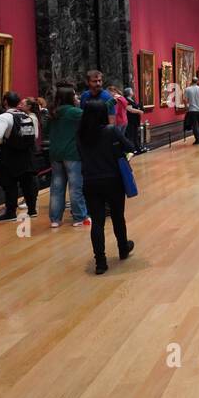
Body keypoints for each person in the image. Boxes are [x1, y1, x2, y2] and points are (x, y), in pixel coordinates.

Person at [76, 100, 134, 274]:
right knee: (117, 216)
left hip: (90, 181)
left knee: (98, 222)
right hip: (113, 179)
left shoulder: (80, 134)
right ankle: (123, 248)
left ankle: (100, 262)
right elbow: (129, 146)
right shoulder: (110, 131)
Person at [0, 90, 40, 221]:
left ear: (5, 102)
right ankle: (32, 210)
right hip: (27, 156)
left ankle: (10, 212)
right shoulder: (26, 116)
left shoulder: (4, 117)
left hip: (10, 157)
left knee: (10, 186)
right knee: (27, 184)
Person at [47, 87, 89, 229]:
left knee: (56, 187)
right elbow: (93, 116)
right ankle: (79, 217)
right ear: (70, 97)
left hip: (55, 153)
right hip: (72, 153)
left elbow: (47, 132)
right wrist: (110, 103)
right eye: (74, 95)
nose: (77, 97)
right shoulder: (74, 112)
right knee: (75, 186)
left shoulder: (52, 113)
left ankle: (55, 219)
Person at [121, 87, 146, 153]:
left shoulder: (131, 99)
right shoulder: (126, 100)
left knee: (135, 135)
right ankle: (132, 150)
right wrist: (139, 111)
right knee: (131, 136)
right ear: (129, 92)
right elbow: (130, 109)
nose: (133, 91)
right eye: (131, 90)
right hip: (130, 120)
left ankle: (137, 149)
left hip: (134, 120)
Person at [183, 76, 199, 144]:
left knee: (194, 125)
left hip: (192, 110)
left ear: (191, 81)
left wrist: (186, 106)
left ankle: (197, 139)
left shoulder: (187, 89)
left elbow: (184, 99)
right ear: (197, 81)